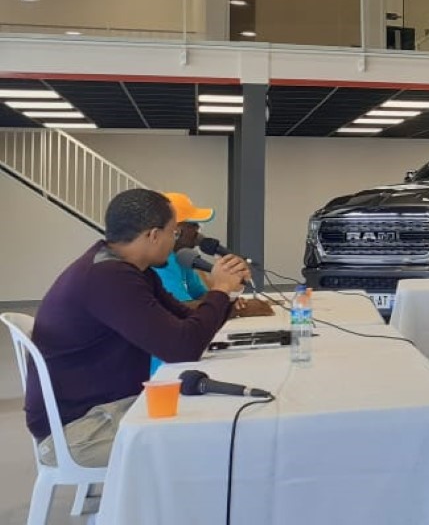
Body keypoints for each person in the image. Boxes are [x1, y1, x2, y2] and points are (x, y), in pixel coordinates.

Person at [24, 189, 250, 467]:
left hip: (103, 408)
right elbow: (183, 348)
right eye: (173, 233)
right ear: (153, 235)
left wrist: (228, 291)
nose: (174, 241)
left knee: (217, 416)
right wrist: (220, 289)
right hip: (78, 430)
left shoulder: (130, 270)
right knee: (215, 437)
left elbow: (187, 322)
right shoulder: (109, 276)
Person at [153, 192, 271, 317]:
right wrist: (237, 309)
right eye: (193, 225)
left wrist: (230, 301)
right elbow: (181, 308)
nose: (198, 229)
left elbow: (201, 296)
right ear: (176, 230)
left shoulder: (181, 257)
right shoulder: (161, 262)